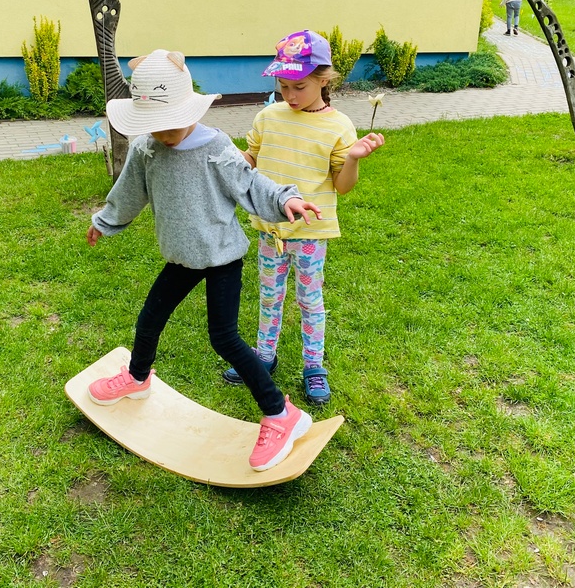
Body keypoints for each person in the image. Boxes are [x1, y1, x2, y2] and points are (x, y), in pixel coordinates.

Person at [85, 48, 323, 473]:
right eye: (155, 126)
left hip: (222, 259)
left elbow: (252, 184)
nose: (164, 134)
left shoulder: (216, 149)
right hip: (181, 258)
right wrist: (105, 222)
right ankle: (137, 378)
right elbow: (129, 193)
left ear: (189, 110)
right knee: (149, 319)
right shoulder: (146, 150)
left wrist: (285, 200)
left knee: (224, 339)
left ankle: (281, 414)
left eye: (170, 124)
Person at [220, 30, 385, 405]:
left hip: (310, 232)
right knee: (268, 297)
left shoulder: (338, 126)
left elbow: (343, 186)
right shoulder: (269, 116)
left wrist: (353, 158)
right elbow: (251, 160)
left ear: (324, 80)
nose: (290, 95)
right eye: (283, 86)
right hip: (271, 229)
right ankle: (263, 357)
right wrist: (224, 155)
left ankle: (314, 367)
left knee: (310, 302)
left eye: (299, 86)